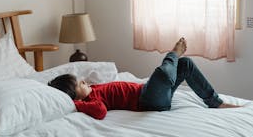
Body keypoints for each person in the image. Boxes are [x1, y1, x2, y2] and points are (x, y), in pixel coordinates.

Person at [48, 38, 239, 120]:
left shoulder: (92, 90)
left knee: (186, 64)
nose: (84, 81)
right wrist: (76, 104)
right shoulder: (90, 101)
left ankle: (214, 101)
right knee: (162, 74)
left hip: (148, 91)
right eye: (79, 83)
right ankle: (173, 53)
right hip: (148, 100)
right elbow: (100, 112)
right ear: (76, 96)